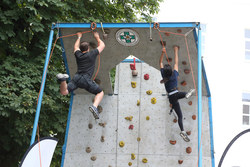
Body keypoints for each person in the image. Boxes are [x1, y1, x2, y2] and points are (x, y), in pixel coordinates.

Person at [56, 31, 105, 119]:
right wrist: (97, 37)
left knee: (64, 92)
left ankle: (63, 80)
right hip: (85, 79)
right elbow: (102, 45)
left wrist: (79, 37)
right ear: (88, 49)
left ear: (81, 49)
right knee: (100, 92)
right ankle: (94, 106)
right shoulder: (91, 54)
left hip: (77, 78)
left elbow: (75, 47)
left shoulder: (78, 55)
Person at [159, 46, 195, 142]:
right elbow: (173, 62)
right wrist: (173, 50)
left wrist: (166, 53)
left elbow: (164, 63)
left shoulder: (166, 76)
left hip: (172, 97)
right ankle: (187, 94)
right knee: (183, 94)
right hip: (175, 94)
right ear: (170, 71)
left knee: (180, 116)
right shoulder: (173, 74)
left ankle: (182, 131)